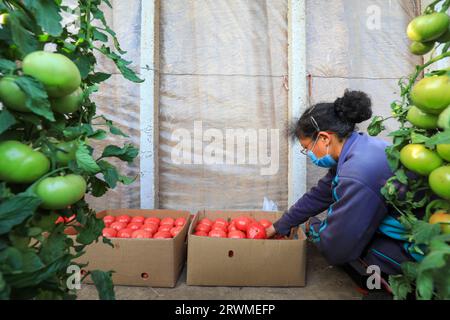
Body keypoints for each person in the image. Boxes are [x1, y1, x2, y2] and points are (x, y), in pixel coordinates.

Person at [266, 90, 423, 295]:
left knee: (358, 254)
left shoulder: (357, 173)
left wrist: (313, 228)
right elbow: (320, 194)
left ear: (324, 138)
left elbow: (337, 249)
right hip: (412, 225)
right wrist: (283, 223)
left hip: (419, 246)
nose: (310, 155)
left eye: (308, 148)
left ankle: (392, 287)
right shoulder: (359, 148)